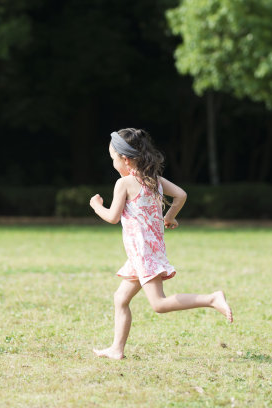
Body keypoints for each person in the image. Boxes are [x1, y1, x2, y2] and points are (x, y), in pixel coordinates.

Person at [89, 128, 233, 360]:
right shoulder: (154, 180)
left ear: (125, 159)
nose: (113, 163)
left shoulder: (123, 183)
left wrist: (96, 205)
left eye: (113, 158)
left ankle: (212, 298)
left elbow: (113, 217)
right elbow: (181, 195)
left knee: (159, 304)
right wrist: (169, 217)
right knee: (121, 299)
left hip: (143, 253)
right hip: (145, 251)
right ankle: (117, 349)